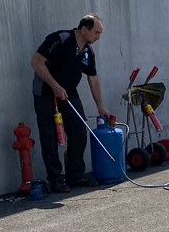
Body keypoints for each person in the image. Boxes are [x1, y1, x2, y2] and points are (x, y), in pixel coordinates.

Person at [30, 13, 111, 193]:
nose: (98, 38)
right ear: (84, 29)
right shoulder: (59, 39)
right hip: (45, 93)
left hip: (69, 93)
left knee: (79, 132)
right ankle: (55, 178)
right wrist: (55, 86)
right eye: (96, 33)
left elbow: (93, 79)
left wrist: (100, 106)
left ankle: (75, 174)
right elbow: (36, 62)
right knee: (49, 136)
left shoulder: (88, 52)